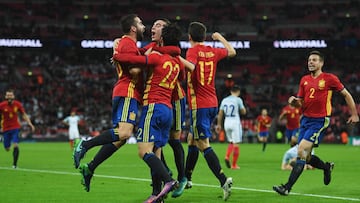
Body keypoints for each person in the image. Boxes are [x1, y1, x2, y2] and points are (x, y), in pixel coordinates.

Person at [113, 23, 192, 203]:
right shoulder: (176, 62)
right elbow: (182, 78)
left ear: (163, 39)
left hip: (153, 108)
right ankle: (157, 195)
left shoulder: (157, 56)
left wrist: (117, 55)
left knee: (143, 152)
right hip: (168, 110)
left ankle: (169, 180)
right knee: (156, 151)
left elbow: (136, 61)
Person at [73, 13, 145, 192]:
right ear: (133, 28)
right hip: (128, 90)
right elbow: (134, 70)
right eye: (141, 23)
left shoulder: (124, 43)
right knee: (125, 133)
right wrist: (149, 63)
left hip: (125, 91)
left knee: (121, 138)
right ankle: (85, 144)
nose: (144, 26)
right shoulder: (128, 43)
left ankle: (90, 168)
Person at [273, 50, 359, 195]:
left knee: (300, 151)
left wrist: (355, 114)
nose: (310, 62)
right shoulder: (304, 80)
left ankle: (287, 187)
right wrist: (293, 102)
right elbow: (300, 103)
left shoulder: (329, 78)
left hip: (319, 120)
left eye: (314, 60)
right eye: (309, 60)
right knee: (306, 157)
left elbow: (346, 94)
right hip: (305, 119)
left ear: (321, 63)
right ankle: (326, 167)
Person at [183, 21, 236, 201]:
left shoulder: (192, 51)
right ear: (204, 36)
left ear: (189, 37)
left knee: (202, 143)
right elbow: (232, 51)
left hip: (200, 104)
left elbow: (190, 66)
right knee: (192, 139)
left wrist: (173, 57)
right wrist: (220, 37)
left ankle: (223, 180)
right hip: (213, 102)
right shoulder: (212, 50)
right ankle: (187, 178)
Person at [143, 18, 188, 198]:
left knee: (173, 140)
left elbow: (183, 75)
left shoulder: (172, 52)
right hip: (160, 101)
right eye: (153, 24)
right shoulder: (152, 48)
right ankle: (163, 176)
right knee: (156, 144)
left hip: (175, 98)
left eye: (159, 25)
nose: (154, 27)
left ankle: (182, 177)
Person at [0, 89, 35, 168]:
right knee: (7, 148)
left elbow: (24, 115)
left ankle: (14, 165)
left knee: (15, 144)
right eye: (8, 95)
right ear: (5, 96)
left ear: (13, 96)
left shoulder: (18, 104)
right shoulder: (1, 105)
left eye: (11, 95)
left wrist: (30, 124)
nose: (9, 97)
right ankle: (1, 139)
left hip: (15, 127)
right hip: (5, 128)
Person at [216, 85, 246, 170]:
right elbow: (243, 111)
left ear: (231, 91)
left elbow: (220, 113)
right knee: (236, 144)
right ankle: (234, 165)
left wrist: (219, 124)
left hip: (227, 122)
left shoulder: (224, 100)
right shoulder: (238, 100)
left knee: (231, 142)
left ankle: (227, 156)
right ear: (238, 92)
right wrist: (242, 110)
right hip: (235, 122)